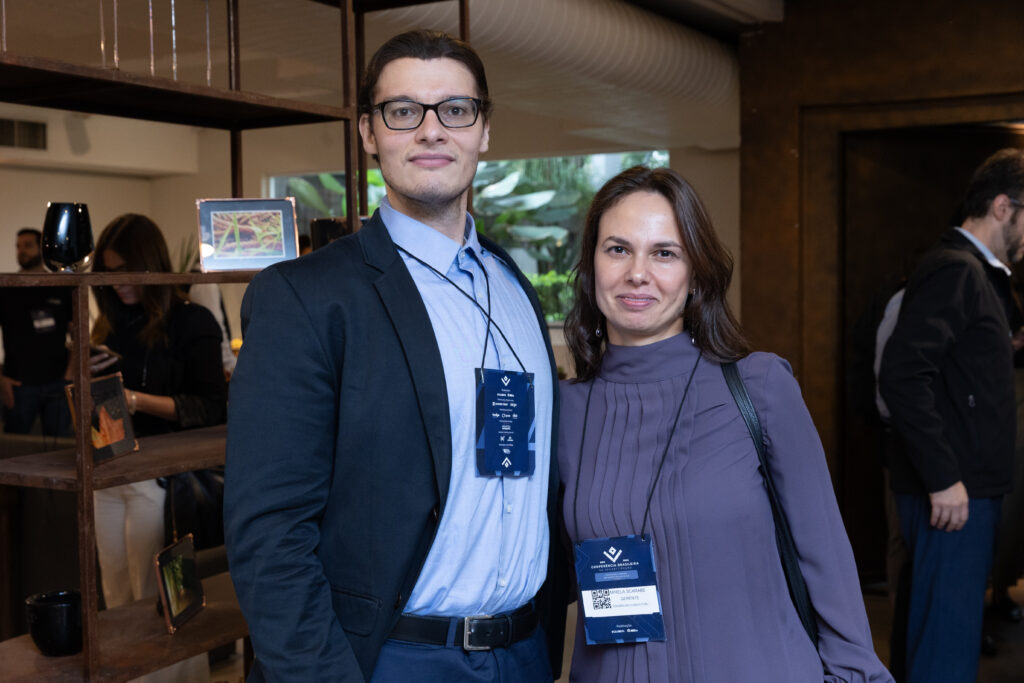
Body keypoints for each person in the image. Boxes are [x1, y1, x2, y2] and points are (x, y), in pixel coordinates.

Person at [225, 30, 567, 683]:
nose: (431, 130)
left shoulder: (515, 287)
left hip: (525, 652)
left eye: (456, 110)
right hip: (391, 660)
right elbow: (269, 535)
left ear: (484, 131)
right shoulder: (306, 298)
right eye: (404, 111)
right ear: (368, 133)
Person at [560, 166, 892, 682]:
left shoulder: (758, 385)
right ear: (591, 264)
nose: (638, 273)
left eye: (664, 253)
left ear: (697, 276)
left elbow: (824, 556)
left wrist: (853, 674)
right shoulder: (567, 410)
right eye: (618, 249)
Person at [879, 148, 1024, 683]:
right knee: (942, 648)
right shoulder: (954, 270)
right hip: (951, 496)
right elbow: (901, 374)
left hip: (963, 491)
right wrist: (944, 479)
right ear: (1004, 207)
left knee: (940, 637)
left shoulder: (978, 274)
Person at [91, 214, 226, 682]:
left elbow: (211, 407)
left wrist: (132, 398)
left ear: (152, 264)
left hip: (165, 478)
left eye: (126, 270)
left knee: (166, 595)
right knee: (116, 594)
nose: (119, 284)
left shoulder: (193, 321)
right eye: (108, 274)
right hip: (109, 471)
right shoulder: (108, 327)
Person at [0, 228, 72, 436]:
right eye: (18, 246)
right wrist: (1, 379)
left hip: (58, 383)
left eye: (28, 245)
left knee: (59, 450)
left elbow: (78, 332)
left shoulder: (60, 285)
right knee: (14, 451)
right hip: (18, 385)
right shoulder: (6, 288)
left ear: (42, 248)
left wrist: (71, 373)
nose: (21, 251)